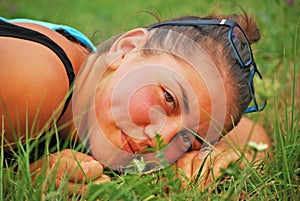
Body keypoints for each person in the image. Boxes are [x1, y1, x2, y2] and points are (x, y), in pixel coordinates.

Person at [0, 13, 271, 192]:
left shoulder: (99, 90)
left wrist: (227, 157)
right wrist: (18, 180)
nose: (161, 139)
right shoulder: (35, 80)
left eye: (188, 138)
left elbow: (253, 134)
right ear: (126, 49)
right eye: (168, 99)